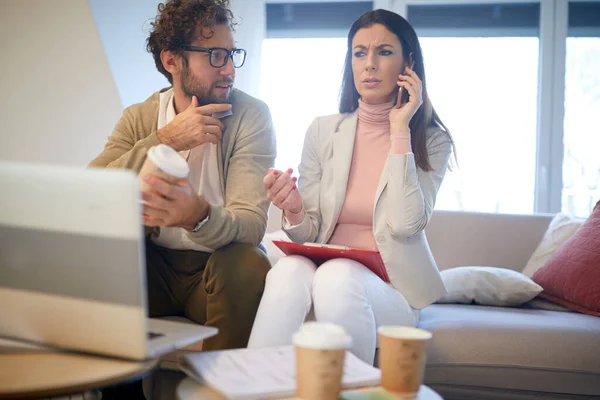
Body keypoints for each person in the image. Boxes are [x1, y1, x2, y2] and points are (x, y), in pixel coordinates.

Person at [248, 9, 454, 364]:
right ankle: (257, 386)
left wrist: (400, 129)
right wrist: (295, 209)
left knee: (336, 275)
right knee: (286, 271)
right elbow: (308, 232)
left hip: (391, 291)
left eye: (384, 52)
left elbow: (406, 224)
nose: (369, 64)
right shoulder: (322, 130)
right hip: (327, 270)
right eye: (359, 53)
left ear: (409, 63)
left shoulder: (431, 141)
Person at [90, 0, 276, 353]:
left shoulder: (251, 117)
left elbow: (251, 224)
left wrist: (197, 215)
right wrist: (166, 139)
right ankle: (121, 391)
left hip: (214, 269)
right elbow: (92, 188)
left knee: (248, 263)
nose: (229, 70)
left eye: (232, 54)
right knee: (93, 255)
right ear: (171, 60)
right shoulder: (140, 118)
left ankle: (219, 386)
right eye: (215, 55)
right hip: (153, 268)